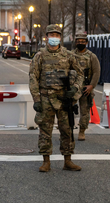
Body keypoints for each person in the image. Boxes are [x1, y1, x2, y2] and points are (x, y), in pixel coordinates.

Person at [29, 24, 85, 172]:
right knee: (45, 131)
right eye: (51, 35)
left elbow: (80, 74)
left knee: (67, 130)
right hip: (46, 98)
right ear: (46, 37)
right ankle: (46, 161)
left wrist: (75, 89)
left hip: (64, 98)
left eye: (57, 35)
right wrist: (36, 99)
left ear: (60, 37)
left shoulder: (69, 56)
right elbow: (33, 77)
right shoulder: (40, 56)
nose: (54, 38)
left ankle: (68, 160)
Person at [70, 32, 100, 141]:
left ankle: (82, 131)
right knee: (68, 110)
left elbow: (96, 72)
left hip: (85, 88)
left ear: (86, 43)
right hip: (73, 88)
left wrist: (91, 86)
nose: (80, 43)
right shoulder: (70, 55)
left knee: (85, 111)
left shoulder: (92, 56)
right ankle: (68, 131)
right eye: (78, 41)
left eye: (82, 41)